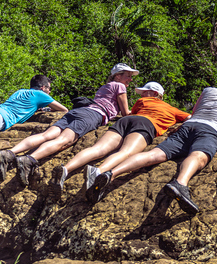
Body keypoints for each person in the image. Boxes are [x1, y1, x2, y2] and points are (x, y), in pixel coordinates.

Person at [86, 71, 217, 214]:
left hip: (188, 126)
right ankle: (180, 183)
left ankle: (110, 173)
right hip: (210, 129)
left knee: (154, 154)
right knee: (198, 155)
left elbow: (194, 111)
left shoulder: (207, 91)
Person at [0, 63, 138, 187]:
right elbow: (125, 112)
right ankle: (30, 160)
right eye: (128, 75)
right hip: (92, 115)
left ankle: (10, 153)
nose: (130, 79)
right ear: (117, 76)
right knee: (64, 140)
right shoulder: (119, 86)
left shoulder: (105, 87)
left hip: (79, 111)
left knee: (46, 135)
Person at [48, 81, 191, 199]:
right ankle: (99, 171)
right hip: (146, 124)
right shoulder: (172, 109)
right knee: (126, 152)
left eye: (145, 92)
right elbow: (190, 117)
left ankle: (65, 169)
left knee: (99, 148)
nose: (142, 94)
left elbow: (129, 113)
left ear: (155, 94)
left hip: (125, 121)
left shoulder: (142, 102)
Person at [0, 75, 68, 149]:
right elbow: (64, 109)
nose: (49, 92)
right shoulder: (41, 94)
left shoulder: (20, 91)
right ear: (43, 88)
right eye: (49, 89)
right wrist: (47, 109)